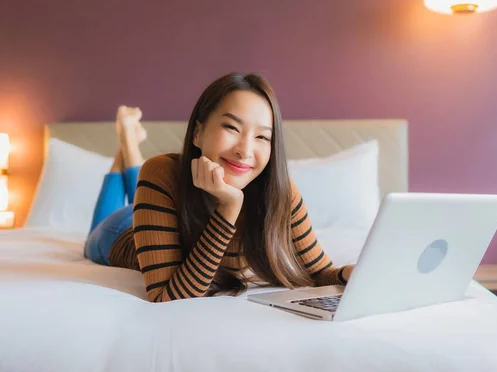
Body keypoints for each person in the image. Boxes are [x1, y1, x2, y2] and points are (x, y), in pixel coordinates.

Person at [84, 73, 355, 302]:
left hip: (154, 208)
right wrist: (230, 206)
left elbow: (321, 273)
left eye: (262, 136)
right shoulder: (160, 172)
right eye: (232, 128)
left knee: (144, 192)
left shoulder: (278, 191)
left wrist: (348, 273)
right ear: (198, 133)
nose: (245, 150)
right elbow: (167, 298)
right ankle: (127, 145)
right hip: (119, 231)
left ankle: (127, 145)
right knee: (108, 219)